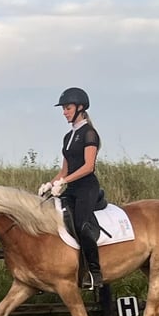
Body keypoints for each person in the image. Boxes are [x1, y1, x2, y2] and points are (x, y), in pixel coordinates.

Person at [38, 87, 103, 289]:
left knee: (82, 226)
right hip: (71, 188)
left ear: (80, 107)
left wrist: (65, 182)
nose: (64, 112)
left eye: (67, 108)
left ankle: (94, 272)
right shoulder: (68, 137)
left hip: (87, 188)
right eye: (64, 109)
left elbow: (88, 166)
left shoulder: (89, 134)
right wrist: (50, 184)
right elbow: (64, 170)